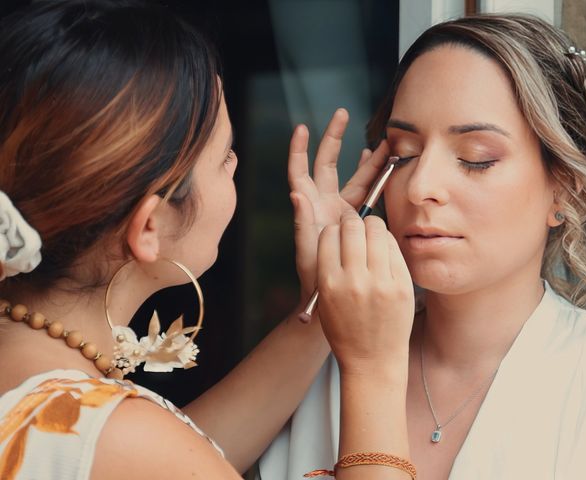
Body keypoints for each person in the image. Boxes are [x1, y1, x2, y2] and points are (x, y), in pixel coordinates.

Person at [0, 1, 417, 479]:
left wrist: (320, 312)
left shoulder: (25, 362)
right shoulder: (123, 439)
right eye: (225, 156)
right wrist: (374, 368)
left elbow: (182, 448)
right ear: (149, 227)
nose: (237, 165)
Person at [259, 13, 586, 480]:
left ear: (564, 191)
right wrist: (320, 303)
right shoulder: (307, 375)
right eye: (403, 153)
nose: (420, 186)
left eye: (476, 159)